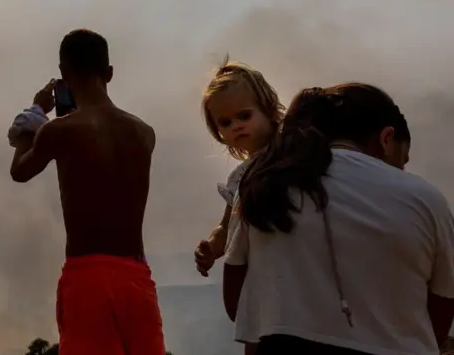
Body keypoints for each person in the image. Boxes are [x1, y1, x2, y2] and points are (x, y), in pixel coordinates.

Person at [223, 83, 454, 354]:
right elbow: (443, 305)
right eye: (401, 161)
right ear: (386, 139)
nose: (401, 170)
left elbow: (235, 302)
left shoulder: (263, 184)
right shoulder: (426, 199)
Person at [8, 29, 165, 355]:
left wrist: (35, 114)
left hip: (87, 276)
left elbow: (19, 171)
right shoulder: (144, 134)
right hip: (136, 277)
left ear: (64, 75)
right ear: (109, 73)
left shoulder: (59, 131)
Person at [194, 60, 285, 278]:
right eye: (225, 122)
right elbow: (227, 227)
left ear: (268, 110)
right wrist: (211, 249)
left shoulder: (291, 155)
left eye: (245, 116)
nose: (236, 125)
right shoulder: (241, 176)